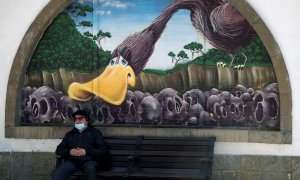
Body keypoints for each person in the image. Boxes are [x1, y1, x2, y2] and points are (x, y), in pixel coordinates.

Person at [52, 109, 107, 180]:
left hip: (89, 161)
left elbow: (102, 151)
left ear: (87, 120)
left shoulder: (95, 133)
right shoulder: (70, 134)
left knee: (91, 169)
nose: (77, 121)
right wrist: (69, 152)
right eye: (75, 119)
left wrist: (86, 152)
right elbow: (59, 150)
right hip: (73, 161)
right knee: (59, 172)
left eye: (80, 119)